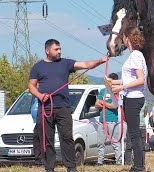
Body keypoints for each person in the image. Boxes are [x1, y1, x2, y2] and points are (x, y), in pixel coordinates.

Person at [28, 39, 108, 172]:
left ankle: (71, 167)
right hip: (45, 108)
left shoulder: (65, 63)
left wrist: (100, 61)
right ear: (47, 51)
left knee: (67, 138)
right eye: (56, 49)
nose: (59, 51)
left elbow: (85, 64)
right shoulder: (38, 67)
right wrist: (40, 96)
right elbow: (31, 86)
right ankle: (49, 168)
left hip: (63, 107)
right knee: (47, 139)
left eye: (60, 49)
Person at [110, 27, 147, 172]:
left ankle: (138, 166)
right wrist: (113, 83)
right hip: (131, 97)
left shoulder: (136, 56)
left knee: (134, 134)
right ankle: (139, 165)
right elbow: (129, 79)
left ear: (127, 39)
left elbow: (140, 80)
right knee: (134, 133)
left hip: (133, 98)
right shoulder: (135, 56)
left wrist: (122, 87)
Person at [95, 73, 124, 165]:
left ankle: (118, 161)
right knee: (100, 143)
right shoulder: (102, 91)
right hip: (102, 121)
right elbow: (96, 104)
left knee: (115, 142)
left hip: (112, 121)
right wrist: (106, 104)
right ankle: (100, 161)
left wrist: (103, 103)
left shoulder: (116, 92)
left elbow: (114, 105)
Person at [31, 96, 43, 166]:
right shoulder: (35, 97)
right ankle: (38, 160)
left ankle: (43, 160)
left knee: (43, 140)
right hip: (37, 122)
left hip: (44, 121)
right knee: (36, 140)